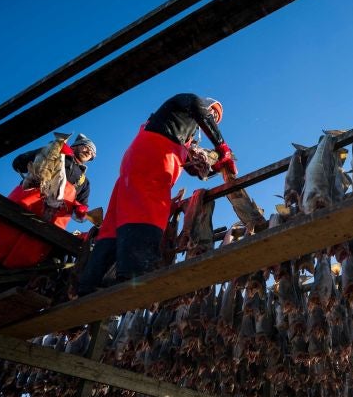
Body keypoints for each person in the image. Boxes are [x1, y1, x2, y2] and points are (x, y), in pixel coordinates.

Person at [78, 94, 236, 295]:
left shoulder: (183, 136)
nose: (213, 117)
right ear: (205, 106)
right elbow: (199, 110)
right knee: (150, 212)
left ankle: (91, 281)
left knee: (114, 224)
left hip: (134, 165)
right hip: (153, 158)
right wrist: (223, 148)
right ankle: (134, 273)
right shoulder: (188, 101)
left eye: (217, 117)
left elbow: (196, 171)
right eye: (213, 112)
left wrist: (216, 167)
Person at [0, 134, 96, 311]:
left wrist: (81, 211)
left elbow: (81, 210)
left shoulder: (84, 183)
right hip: (22, 205)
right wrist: (49, 153)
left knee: (22, 266)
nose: (88, 151)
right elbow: (19, 162)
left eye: (92, 153)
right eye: (86, 147)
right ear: (75, 145)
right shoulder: (55, 151)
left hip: (49, 224)